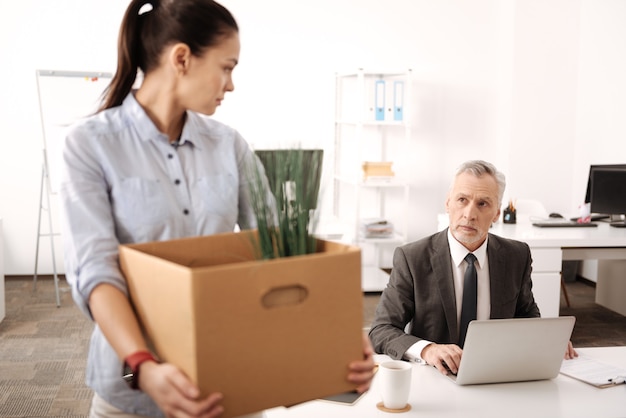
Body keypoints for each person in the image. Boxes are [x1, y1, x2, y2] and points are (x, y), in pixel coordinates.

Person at [59, 1, 374, 417]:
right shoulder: (89, 144)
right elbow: (96, 271)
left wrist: (339, 338)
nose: (231, 85)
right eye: (226, 67)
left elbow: (280, 252)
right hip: (133, 389)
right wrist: (145, 365)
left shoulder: (229, 145)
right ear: (182, 58)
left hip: (229, 381)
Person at [368, 160, 576, 376]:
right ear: (448, 203)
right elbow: (381, 330)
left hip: (497, 374)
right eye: (462, 200)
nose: (469, 214)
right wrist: (428, 350)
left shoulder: (517, 256)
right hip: (436, 377)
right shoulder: (412, 258)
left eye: (483, 204)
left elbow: (526, 315)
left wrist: (548, 340)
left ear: (496, 213)